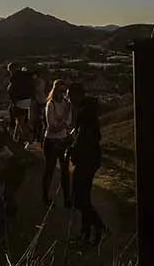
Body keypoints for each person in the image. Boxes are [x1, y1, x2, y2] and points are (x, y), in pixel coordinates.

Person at [66, 82, 106, 246]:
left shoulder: (85, 114)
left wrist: (72, 150)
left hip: (86, 160)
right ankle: (85, 233)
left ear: (77, 95)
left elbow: (85, 140)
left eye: (69, 95)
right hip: (89, 159)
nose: (68, 99)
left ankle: (98, 228)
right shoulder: (87, 111)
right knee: (82, 197)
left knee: (81, 199)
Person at [41, 78, 73, 207]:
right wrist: (63, 124)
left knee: (65, 170)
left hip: (63, 139)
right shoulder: (51, 104)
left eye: (64, 91)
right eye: (60, 91)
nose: (62, 93)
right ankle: (45, 196)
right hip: (51, 140)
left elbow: (68, 122)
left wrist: (62, 124)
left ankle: (67, 198)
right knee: (50, 169)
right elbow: (52, 126)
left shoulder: (67, 104)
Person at [6, 62, 34, 143]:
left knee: (20, 123)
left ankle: (29, 140)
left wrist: (14, 100)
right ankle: (15, 138)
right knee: (19, 121)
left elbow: (12, 90)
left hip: (19, 102)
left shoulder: (15, 78)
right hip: (28, 100)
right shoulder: (26, 76)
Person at [31, 71, 49, 144]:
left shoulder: (38, 82)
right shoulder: (42, 81)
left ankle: (38, 138)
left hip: (39, 102)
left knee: (38, 121)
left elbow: (37, 90)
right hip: (42, 101)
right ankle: (38, 137)